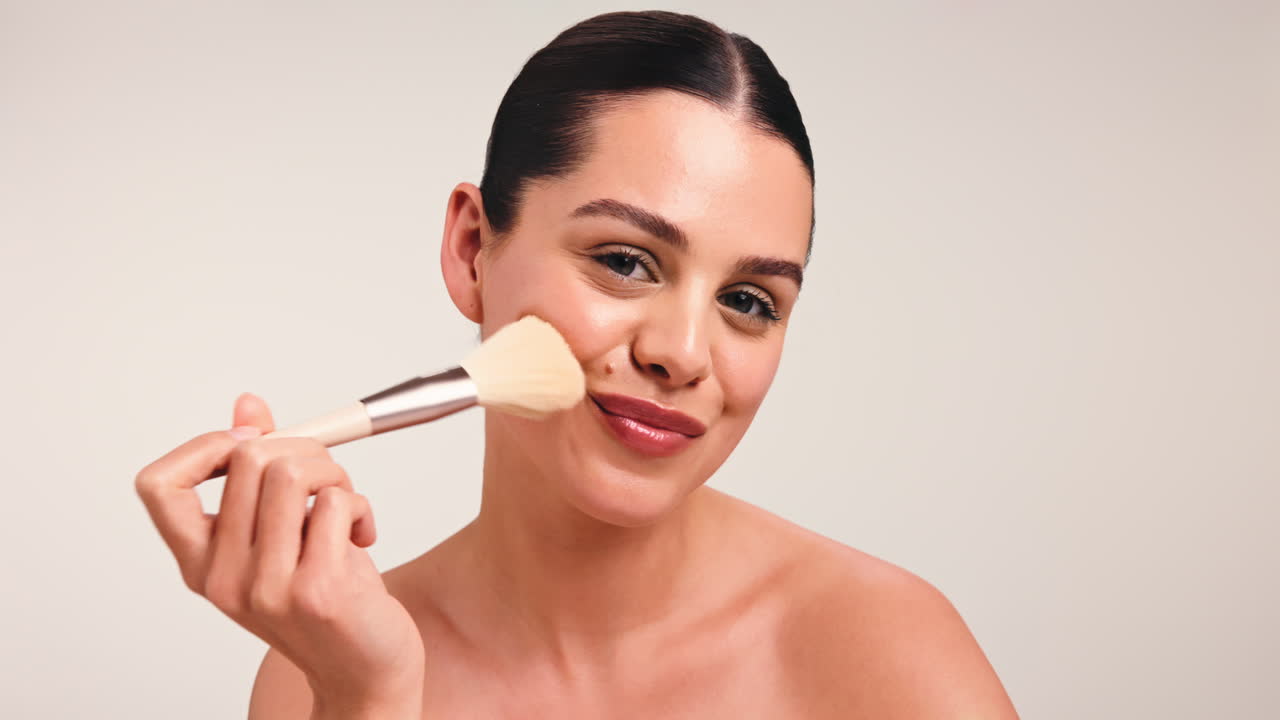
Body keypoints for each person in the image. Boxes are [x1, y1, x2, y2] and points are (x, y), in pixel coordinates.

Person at [135, 10, 1019, 719]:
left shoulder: (882, 650)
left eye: (749, 302)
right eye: (626, 262)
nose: (679, 353)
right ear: (473, 246)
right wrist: (368, 699)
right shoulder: (322, 667)